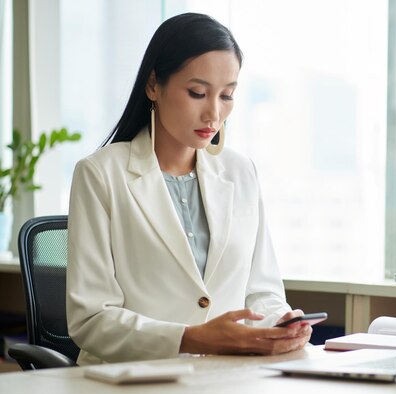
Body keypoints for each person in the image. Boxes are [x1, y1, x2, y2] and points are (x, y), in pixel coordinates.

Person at [66, 13, 312, 365]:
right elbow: (91, 319)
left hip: (226, 383)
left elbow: (262, 291)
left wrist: (281, 322)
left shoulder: (241, 172)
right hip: (131, 385)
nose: (213, 113)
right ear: (154, 85)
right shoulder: (100, 174)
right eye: (198, 93)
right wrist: (191, 338)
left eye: (227, 95)